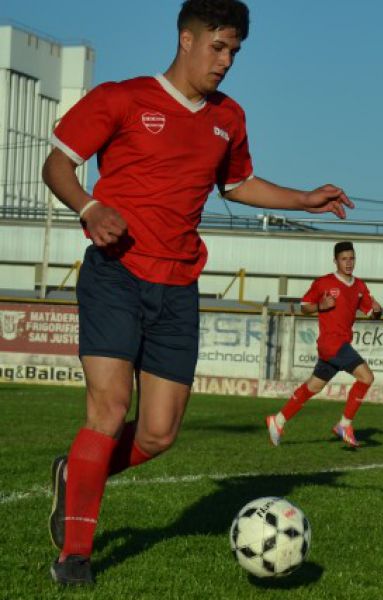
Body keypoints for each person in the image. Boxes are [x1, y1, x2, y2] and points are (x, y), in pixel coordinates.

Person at [41, 0, 354, 585]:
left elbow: (238, 184)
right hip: (115, 274)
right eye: (218, 46)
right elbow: (57, 163)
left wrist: (302, 199)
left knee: (158, 433)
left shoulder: (228, 117)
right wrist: (89, 206)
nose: (227, 60)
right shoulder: (122, 98)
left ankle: (75, 474)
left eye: (235, 50)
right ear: (185, 39)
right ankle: (75, 556)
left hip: (179, 286)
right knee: (108, 410)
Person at [266, 241, 382, 449]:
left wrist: (378, 310)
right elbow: (304, 306)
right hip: (331, 343)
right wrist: (321, 305)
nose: (349, 263)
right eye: (344, 259)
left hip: (340, 344)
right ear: (335, 260)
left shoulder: (359, 286)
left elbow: (372, 313)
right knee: (367, 377)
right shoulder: (324, 283)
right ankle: (344, 424)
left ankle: (278, 420)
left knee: (314, 387)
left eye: (352, 258)